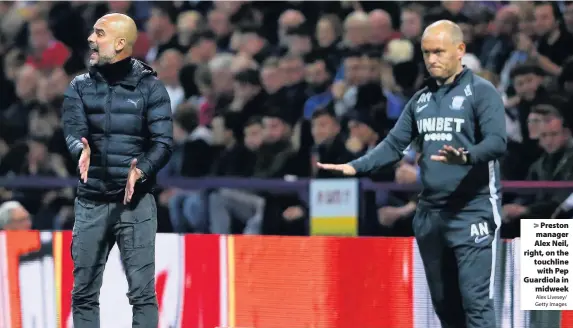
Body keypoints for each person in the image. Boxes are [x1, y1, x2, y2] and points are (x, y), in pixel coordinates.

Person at [318, 20, 506, 328]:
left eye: (439, 51)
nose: (432, 59)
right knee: (444, 304)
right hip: (431, 213)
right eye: (427, 52)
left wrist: (468, 155)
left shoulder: (482, 93)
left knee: (475, 300)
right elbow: (393, 144)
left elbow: (497, 142)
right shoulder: (421, 100)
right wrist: (356, 165)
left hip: (473, 209)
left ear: (460, 50)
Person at [61, 13, 173, 328]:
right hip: (91, 201)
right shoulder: (79, 87)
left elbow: (163, 143)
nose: (91, 39)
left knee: (142, 295)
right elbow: (73, 129)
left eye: (100, 34)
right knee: (83, 293)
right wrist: (79, 149)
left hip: (135, 204)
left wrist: (142, 171)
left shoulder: (151, 88)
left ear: (120, 43)